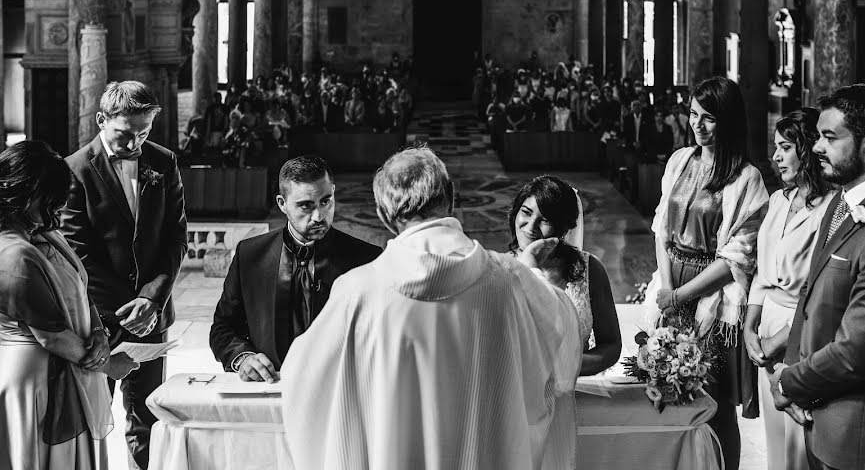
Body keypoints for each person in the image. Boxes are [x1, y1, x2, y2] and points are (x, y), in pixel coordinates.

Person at [280, 146, 581, 469]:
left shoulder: (357, 292)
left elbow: (303, 387)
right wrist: (533, 270)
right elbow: (563, 364)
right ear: (451, 196)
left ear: (383, 215)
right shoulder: (511, 280)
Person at [770, 84, 865, 470]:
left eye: (830, 137)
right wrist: (792, 374)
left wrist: (788, 383)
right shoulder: (843, 200)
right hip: (816, 415)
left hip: (855, 435)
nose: (815, 148)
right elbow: (810, 300)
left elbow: (858, 352)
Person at [59, 81, 187, 470]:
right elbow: (76, 253)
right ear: (101, 120)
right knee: (90, 418)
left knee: (147, 420)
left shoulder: (162, 162)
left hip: (151, 318)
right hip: (98, 320)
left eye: (144, 134)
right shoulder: (74, 170)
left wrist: (151, 299)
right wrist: (120, 311)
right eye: (125, 135)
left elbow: (175, 237)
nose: (135, 145)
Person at [643, 76, 769, 470]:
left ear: (728, 121)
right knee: (666, 388)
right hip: (671, 280)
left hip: (712, 293)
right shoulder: (680, 160)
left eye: (709, 118)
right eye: (693, 115)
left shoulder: (746, 178)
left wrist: (681, 296)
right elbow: (661, 228)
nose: (697, 125)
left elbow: (737, 257)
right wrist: (666, 287)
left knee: (712, 402)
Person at [0, 141, 139, 470]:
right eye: (48, 202)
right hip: (35, 378)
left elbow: (80, 285)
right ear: (25, 192)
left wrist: (99, 332)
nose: (54, 213)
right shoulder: (13, 253)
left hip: (70, 365)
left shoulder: (43, 233)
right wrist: (108, 365)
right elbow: (52, 336)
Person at [210, 156, 380, 381]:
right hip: (270, 391)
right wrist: (243, 357)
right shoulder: (249, 255)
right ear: (282, 204)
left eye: (325, 201)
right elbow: (223, 328)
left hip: (339, 393)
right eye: (306, 205)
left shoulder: (367, 258)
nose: (319, 215)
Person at [743, 109, 832, 470]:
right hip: (764, 320)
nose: (776, 156)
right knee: (775, 443)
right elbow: (761, 272)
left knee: (799, 445)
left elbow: (819, 291)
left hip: (800, 329)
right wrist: (750, 327)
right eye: (775, 147)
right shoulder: (779, 200)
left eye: (785, 147)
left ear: (807, 149)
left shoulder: (831, 209)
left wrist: (777, 341)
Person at [509, 176, 621, 375]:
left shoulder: (590, 269)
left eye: (545, 220)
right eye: (526, 212)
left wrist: (566, 367)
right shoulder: (499, 268)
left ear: (564, 228)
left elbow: (611, 346)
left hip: (574, 391)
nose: (531, 227)